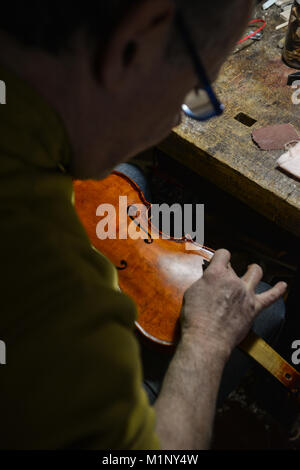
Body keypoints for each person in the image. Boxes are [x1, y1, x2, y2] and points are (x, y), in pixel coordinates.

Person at [0, 0, 287, 450]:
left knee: (126, 178)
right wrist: (208, 338)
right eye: (191, 92)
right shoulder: (48, 276)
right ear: (134, 43)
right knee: (267, 312)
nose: (174, 120)